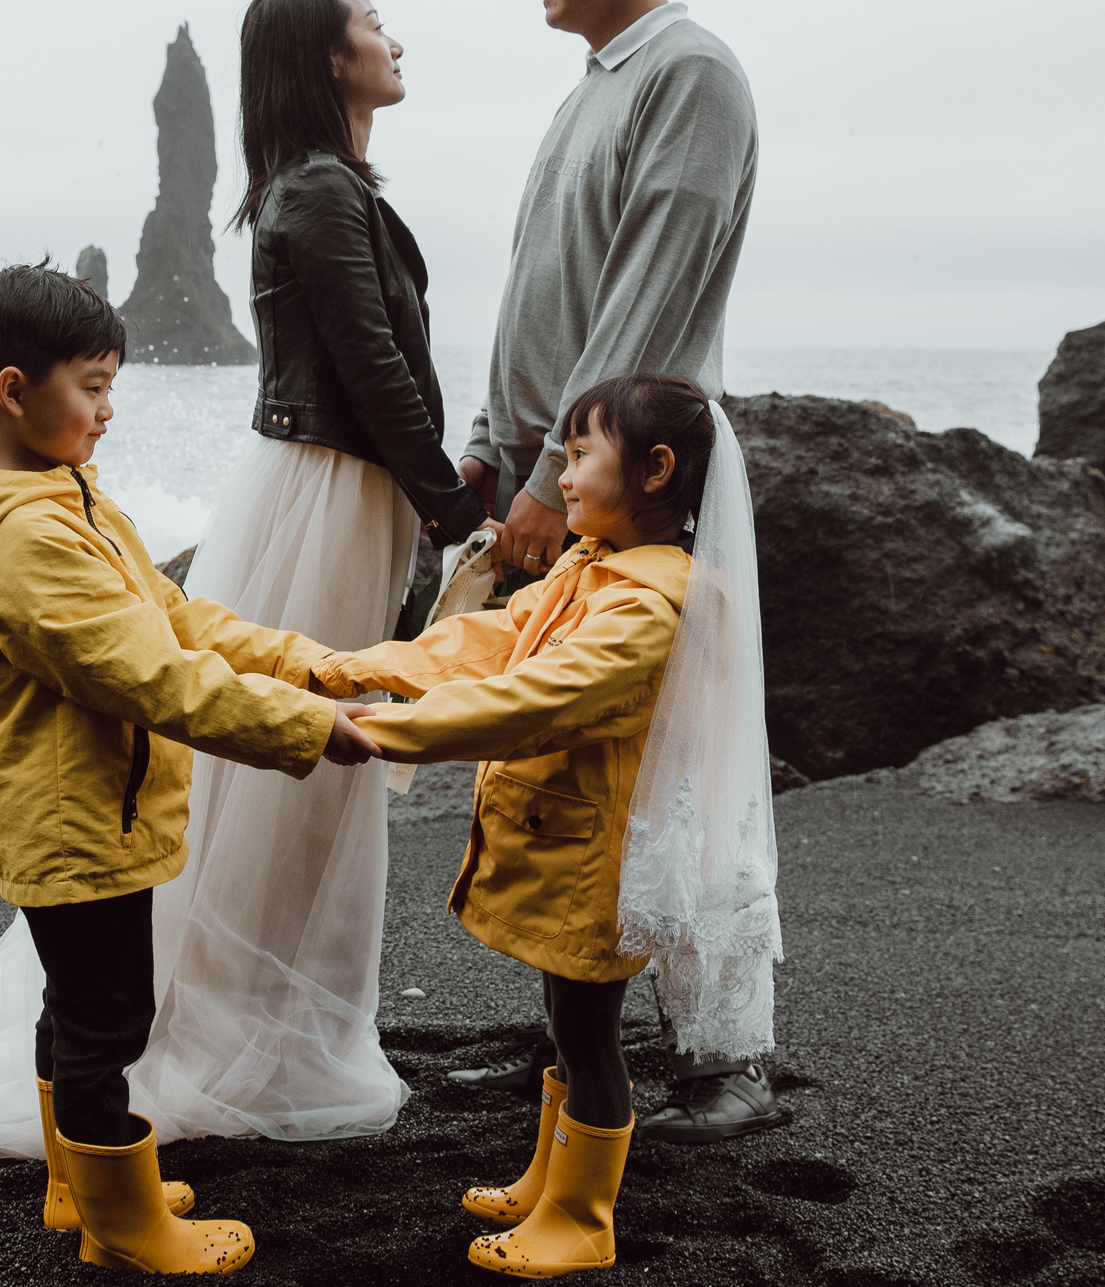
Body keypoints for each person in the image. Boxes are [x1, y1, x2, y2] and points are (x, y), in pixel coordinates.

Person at [0, 263, 387, 1275]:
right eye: (93, 386)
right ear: (15, 391)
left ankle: (78, 1184)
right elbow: (152, 675)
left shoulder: (73, 500)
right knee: (109, 1019)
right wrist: (305, 726)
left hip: (95, 814)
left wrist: (311, 666)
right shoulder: (31, 538)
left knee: (77, 1009)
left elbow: (177, 618)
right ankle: (123, 1223)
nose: (109, 410)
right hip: (74, 824)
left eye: (112, 386)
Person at [451, 0, 777, 1142]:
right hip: (572, 472)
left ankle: (725, 1056)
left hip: (644, 481)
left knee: (683, 768)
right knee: (582, 774)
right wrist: (491, 443)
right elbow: (541, 286)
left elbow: (644, 303)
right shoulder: (591, 86)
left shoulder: (691, 74)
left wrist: (553, 474)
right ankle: (580, 1043)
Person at [316, 373, 781, 1277]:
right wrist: (349, 669)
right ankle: (548, 1177)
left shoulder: (648, 605)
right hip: (572, 847)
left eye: (579, 455)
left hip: (599, 860)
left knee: (590, 1037)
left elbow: (536, 699)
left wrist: (382, 728)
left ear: (655, 469)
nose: (561, 476)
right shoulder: (592, 568)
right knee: (568, 1025)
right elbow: (490, 643)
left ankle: (580, 1214)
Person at [143, 0, 490, 1140]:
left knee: (294, 757)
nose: (394, 39)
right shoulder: (321, 192)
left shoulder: (316, 186)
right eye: (373, 22)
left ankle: (267, 1021)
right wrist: (450, 506)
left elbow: (371, 364)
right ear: (329, 58)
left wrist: (435, 491)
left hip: (329, 485)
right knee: (305, 757)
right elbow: (368, 364)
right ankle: (251, 1038)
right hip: (332, 494)